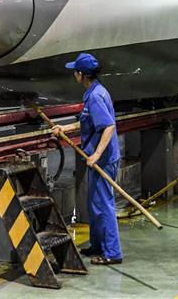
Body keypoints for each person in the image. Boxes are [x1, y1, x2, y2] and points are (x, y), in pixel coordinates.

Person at [51, 52, 123, 265]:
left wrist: (96, 154)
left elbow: (108, 126)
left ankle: (113, 252)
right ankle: (98, 246)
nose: (75, 75)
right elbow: (88, 122)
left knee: (104, 205)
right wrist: (65, 128)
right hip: (100, 158)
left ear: (81, 74)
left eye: (76, 72)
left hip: (104, 159)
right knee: (94, 205)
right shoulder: (96, 91)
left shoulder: (95, 96)